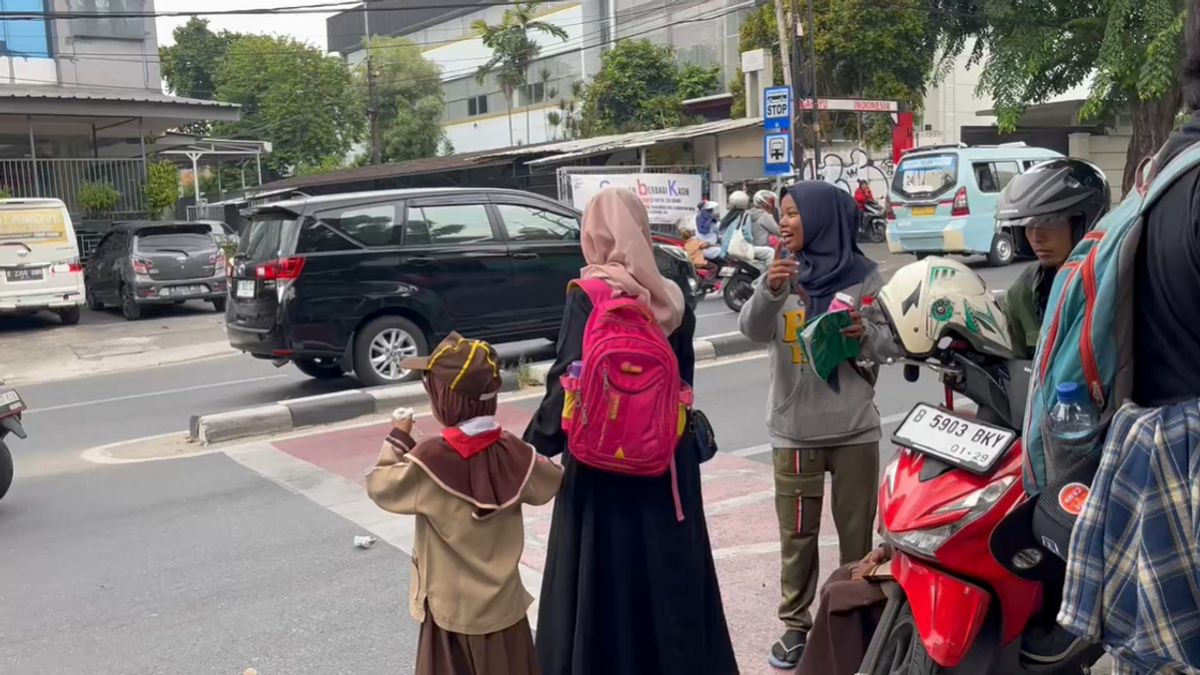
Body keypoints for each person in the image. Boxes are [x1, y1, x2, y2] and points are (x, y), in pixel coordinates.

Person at [525, 187, 739, 675]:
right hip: (666, 465)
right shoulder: (673, 295)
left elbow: (565, 388)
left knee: (602, 587)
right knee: (669, 585)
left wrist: (531, 449)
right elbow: (683, 383)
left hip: (601, 470)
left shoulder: (590, 294)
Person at [738, 180, 898, 669]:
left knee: (856, 540)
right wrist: (770, 290)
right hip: (794, 431)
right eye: (781, 214)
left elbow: (890, 346)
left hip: (853, 429)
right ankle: (794, 626)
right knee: (798, 537)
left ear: (822, 217)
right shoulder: (779, 274)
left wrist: (864, 333)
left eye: (792, 214)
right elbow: (751, 330)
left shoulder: (865, 278)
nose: (783, 222)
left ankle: (856, 618)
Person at [365, 333, 563, 675]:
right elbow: (550, 480)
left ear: (445, 400)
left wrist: (398, 438)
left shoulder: (427, 463)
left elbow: (381, 485)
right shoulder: (515, 452)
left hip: (451, 614)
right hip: (505, 610)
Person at [995, 158, 1111, 358]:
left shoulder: (1116, 282)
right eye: (1028, 225)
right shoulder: (1024, 292)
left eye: (1049, 221)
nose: (1036, 237)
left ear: (1082, 222)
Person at [795, 545, 893, 675]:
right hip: (899, 561)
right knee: (840, 575)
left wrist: (875, 571)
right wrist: (885, 550)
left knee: (838, 598)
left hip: (910, 582)